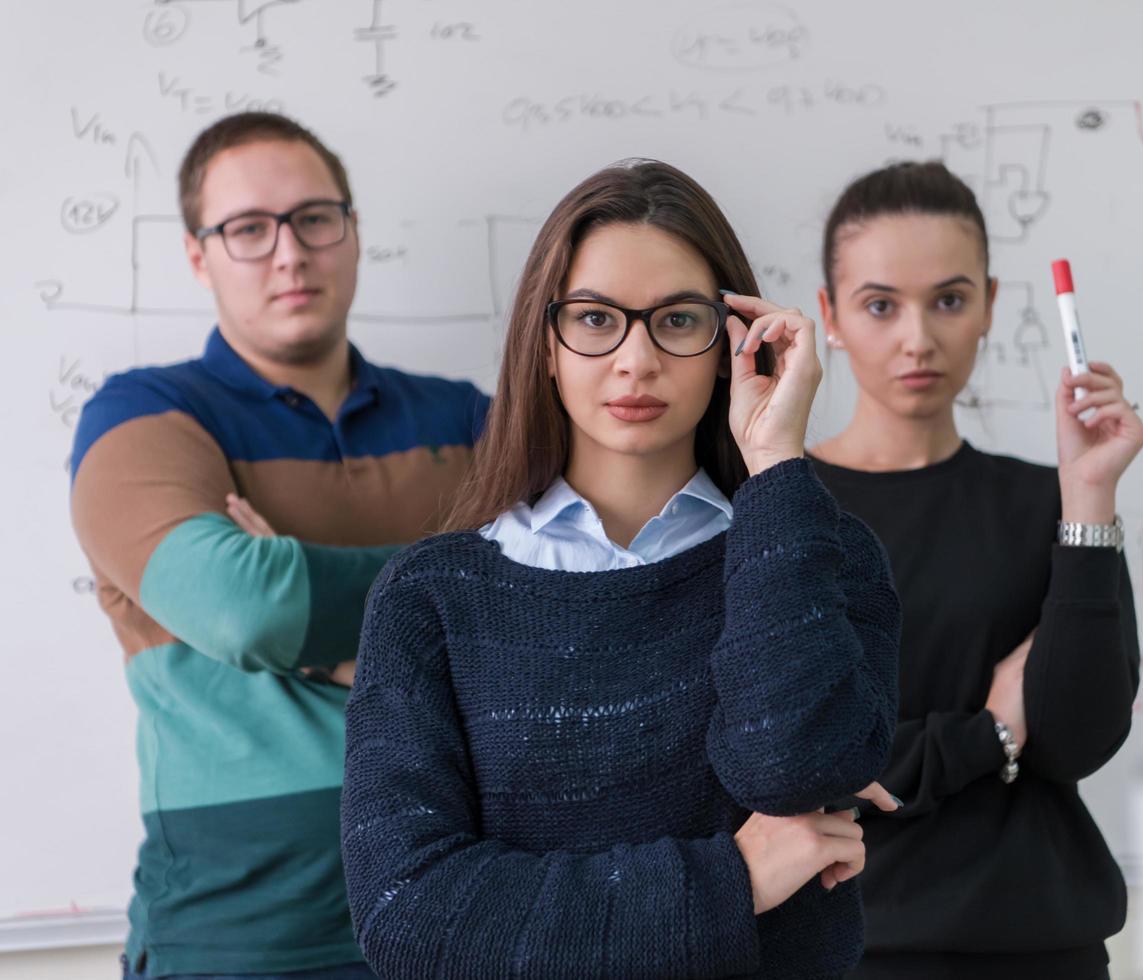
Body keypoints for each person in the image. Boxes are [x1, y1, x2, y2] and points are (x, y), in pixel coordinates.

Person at [339, 159, 900, 979]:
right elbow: (411, 919)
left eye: (676, 320)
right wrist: (730, 879)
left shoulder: (821, 555)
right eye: (597, 320)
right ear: (545, 346)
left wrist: (776, 462)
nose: (635, 360)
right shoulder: (431, 600)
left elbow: (793, 766)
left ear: (729, 345)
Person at [69, 111, 488, 978]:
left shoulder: (468, 418)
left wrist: (319, 638)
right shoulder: (142, 417)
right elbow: (245, 607)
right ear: (199, 255)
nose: (289, 253)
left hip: (466, 904)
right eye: (248, 230)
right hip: (241, 932)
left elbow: (577, 606)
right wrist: (462, 584)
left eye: (313, 219)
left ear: (354, 232)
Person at [808, 160, 1143, 980]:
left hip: (1041, 948)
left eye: (950, 301)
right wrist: (988, 734)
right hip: (848, 951)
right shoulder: (781, 513)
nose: (917, 338)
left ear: (991, 306)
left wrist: (1089, 496)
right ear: (830, 317)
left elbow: (1079, 739)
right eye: (880, 305)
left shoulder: (1050, 505)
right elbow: (796, 765)